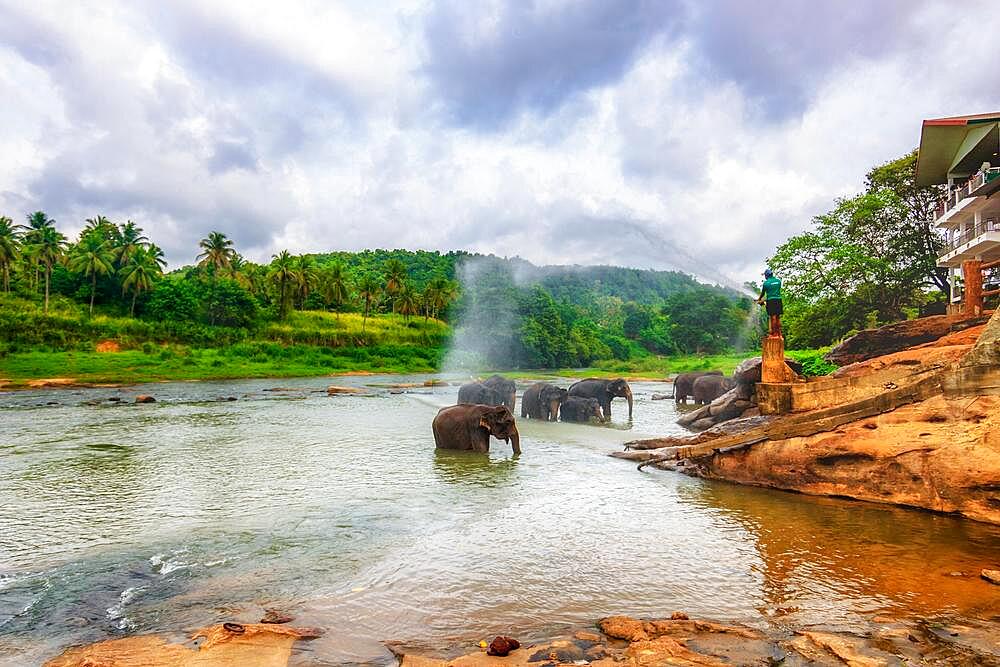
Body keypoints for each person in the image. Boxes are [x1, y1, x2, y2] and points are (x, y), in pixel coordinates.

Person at [757, 268, 783, 336]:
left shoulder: (766, 283)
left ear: (766, 275)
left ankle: (774, 334)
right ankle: (779, 333)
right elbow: (775, 292)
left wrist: (759, 299)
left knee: (773, 317)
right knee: (778, 317)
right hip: (778, 300)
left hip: (771, 301)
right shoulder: (778, 281)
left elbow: (763, 293)